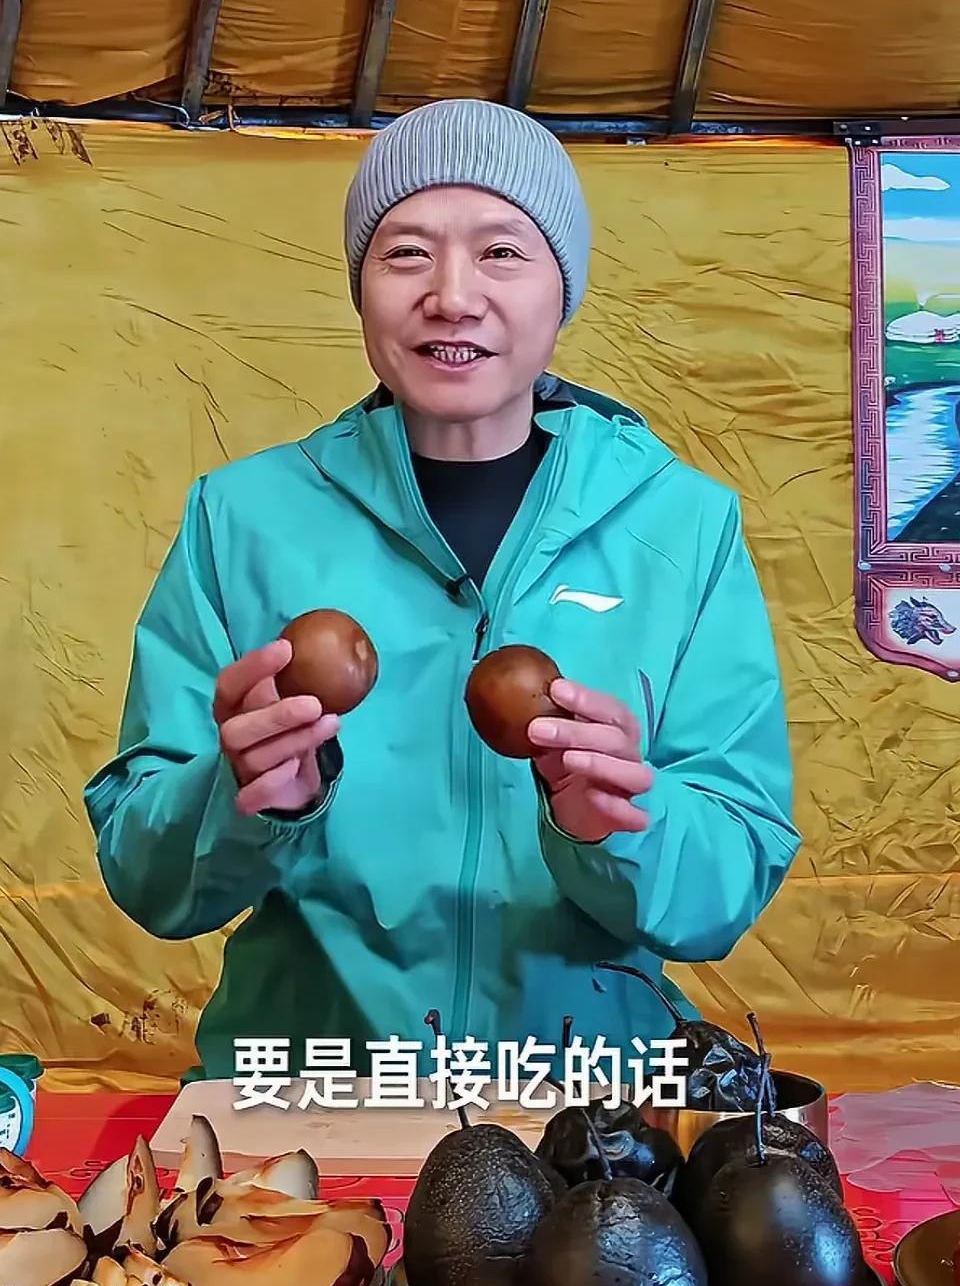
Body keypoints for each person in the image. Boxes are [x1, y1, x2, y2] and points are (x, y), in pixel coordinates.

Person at [85, 100, 799, 1087]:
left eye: (502, 253)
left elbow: (722, 892)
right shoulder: (242, 516)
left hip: (586, 1112)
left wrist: (614, 825)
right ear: (361, 288)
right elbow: (148, 880)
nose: (453, 297)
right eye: (407, 254)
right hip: (310, 1092)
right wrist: (242, 798)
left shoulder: (681, 525)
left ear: (563, 289)